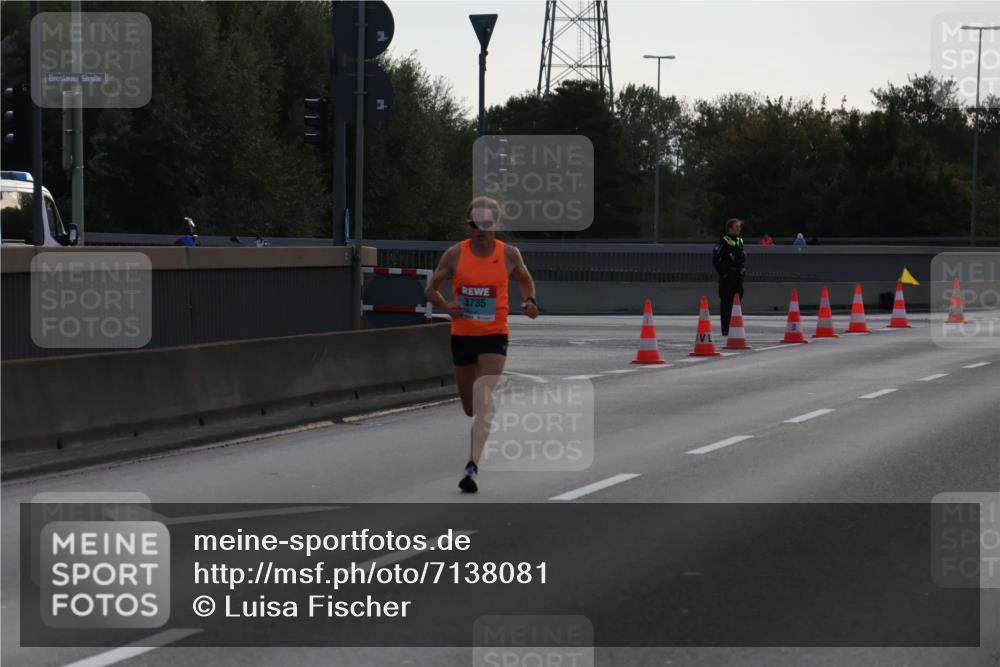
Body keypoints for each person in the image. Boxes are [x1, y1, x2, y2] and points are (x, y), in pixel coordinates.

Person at [425, 196, 539, 493]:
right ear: (468, 226)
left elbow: (525, 279)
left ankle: (472, 466)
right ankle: (476, 440)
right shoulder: (455, 254)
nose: (481, 229)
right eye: (475, 224)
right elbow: (431, 289)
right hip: (462, 335)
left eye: (487, 224)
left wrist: (529, 300)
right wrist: (446, 306)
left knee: (484, 395)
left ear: (496, 225)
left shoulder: (509, 254)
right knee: (469, 407)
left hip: (494, 334)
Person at [712, 218, 745, 336]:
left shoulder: (740, 241)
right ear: (730, 228)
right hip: (727, 278)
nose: (738, 229)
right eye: (736, 227)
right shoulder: (724, 241)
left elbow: (741, 259)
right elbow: (716, 260)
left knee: (737, 303)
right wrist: (724, 274)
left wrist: (742, 270)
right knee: (726, 304)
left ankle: (735, 327)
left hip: (738, 277)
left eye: (739, 227)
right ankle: (726, 329)